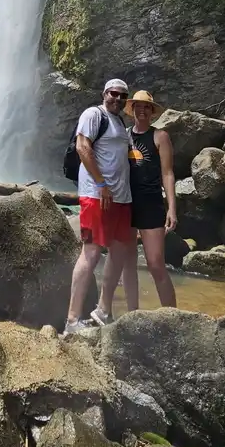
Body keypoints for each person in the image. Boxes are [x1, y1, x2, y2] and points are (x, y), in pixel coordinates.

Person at [64, 78, 132, 335]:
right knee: (91, 253)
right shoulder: (94, 114)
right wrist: (101, 183)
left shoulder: (119, 122)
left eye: (123, 96)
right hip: (96, 195)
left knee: (119, 251)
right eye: (114, 93)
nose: (118, 99)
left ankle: (103, 310)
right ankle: (72, 320)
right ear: (105, 93)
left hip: (120, 198)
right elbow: (83, 147)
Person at [121, 90, 177, 309]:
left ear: (152, 111)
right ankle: (132, 314)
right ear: (132, 109)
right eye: (138, 106)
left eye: (146, 107)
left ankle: (171, 315)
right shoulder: (124, 136)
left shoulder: (160, 136)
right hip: (127, 205)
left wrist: (172, 208)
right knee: (128, 264)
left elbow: (168, 173)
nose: (142, 110)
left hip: (151, 205)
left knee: (155, 264)